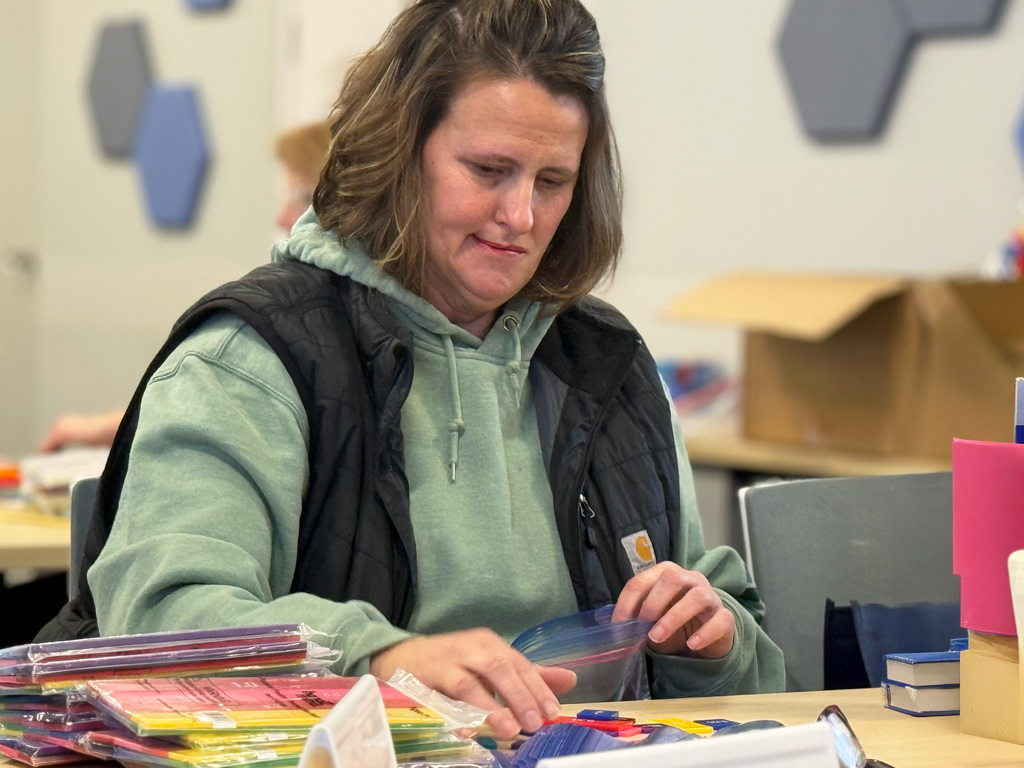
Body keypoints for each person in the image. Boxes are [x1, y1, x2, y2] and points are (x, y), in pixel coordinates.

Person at [37, 0, 784, 739]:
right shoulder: (252, 360)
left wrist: (710, 644)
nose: (521, 215)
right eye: (488, 170)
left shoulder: (608, 364)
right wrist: (384, 659)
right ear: (398, 155)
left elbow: (753, 677)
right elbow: (161, 624)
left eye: (552, 181)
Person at [35, 121, 333, 455]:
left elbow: (204, 417)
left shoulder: (306, 324)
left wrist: (91, 429)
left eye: (304, 196)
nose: (282, 218)